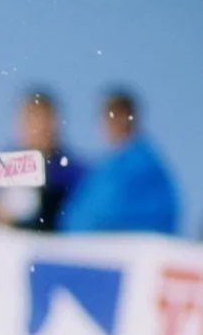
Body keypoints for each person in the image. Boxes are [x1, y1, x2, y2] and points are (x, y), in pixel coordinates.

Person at [58, 88, 179, 236]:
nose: (113, 123)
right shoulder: (103, 169)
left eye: (119, 116)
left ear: (131, 118)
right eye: (109, 116)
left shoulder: (142, 166)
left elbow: (106, 214)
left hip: (126, 246)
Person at [0, 89, 84, 233]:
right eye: (31, 120)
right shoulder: (3, 168)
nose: (38, 128)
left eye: (43, 120)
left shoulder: (72, 172)